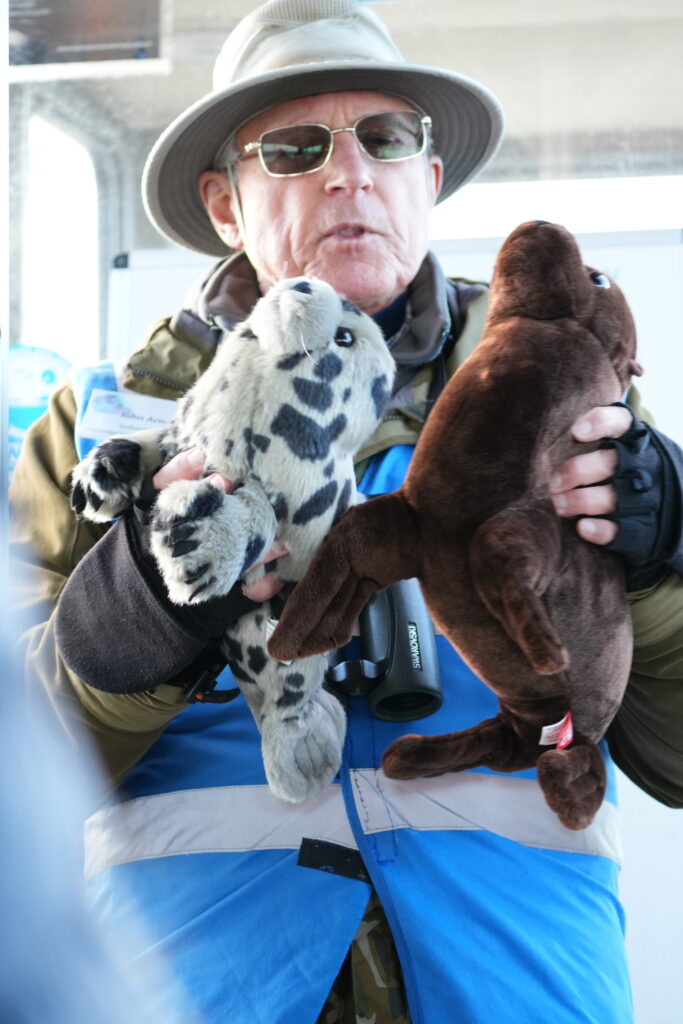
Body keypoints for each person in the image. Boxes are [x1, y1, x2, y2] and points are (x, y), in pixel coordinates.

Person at [11, 1, 683, 1021]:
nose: (348, 172)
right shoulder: (101, 423)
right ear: (225, 204)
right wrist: (139, 610)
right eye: (292, 146)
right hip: (202, 989)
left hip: (519, 985)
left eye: (385, 137)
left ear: (429, 178)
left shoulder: (568, 396)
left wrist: (669, 556)